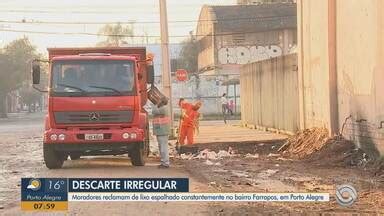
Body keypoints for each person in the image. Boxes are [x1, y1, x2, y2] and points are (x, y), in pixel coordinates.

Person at [152, 101, 171, 169]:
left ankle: (165, 163)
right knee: (162, 147)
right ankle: (164, 162)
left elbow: (154, 111)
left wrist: (155, 104)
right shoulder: (162, 109)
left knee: (163, 148)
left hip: (163, 131)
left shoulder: (164, 109)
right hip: (160, 131)